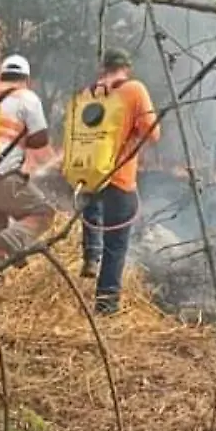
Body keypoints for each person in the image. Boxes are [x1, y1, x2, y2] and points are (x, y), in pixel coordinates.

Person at [80, 48, 161, 315]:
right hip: (119, 178)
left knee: (95, 222)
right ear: (127, 68)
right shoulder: (134, 89)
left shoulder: (89, 92)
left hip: (90, 176)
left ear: (103, 68)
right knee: (116, 245)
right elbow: (153, 133)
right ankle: (106, 305)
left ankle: (91, 253)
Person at [0, 53, 56, 273]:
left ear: (3, 76)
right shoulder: (26, 98)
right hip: (1, 180)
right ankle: (12, 244)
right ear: (27, 79)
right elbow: (41, 139)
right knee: (43, 212)